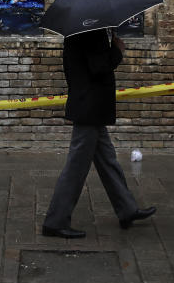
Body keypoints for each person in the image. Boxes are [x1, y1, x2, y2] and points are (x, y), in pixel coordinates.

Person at [42, 28, 156, 238]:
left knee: (107, 161)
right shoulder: (90, 33)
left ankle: (127, 209)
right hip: (90, 108)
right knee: (76, 167)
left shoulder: (75, 32)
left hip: (89, 106)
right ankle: (55, 221)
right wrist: (117, 51)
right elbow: (99, 67)